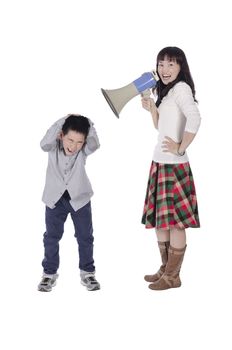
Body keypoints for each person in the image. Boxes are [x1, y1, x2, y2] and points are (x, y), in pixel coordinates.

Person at [141, 47, 201, 290]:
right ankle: (165, 270)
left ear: (180, 67)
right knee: (161, 222)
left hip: (174, 166)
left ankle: (173, 276)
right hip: (160, 162)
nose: (164, 70)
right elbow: (161, 128)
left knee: (175, 222)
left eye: (170, 64)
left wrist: (180, 147)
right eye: (161, 64)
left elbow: (195, 118)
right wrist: (153, 110)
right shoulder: (167, 92)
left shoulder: (182, 89)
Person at [38, 114, 101, 292]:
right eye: (70, 140)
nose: (73, 146)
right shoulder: (52, 148)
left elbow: (95, 143)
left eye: (79, 142)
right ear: (61, 135)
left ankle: (87, 273)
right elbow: (43, 143)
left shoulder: (83, 151)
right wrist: (63, 120)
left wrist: (88, 122)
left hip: (79, 200)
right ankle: (49, 274)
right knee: (51, 237)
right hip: (54, 200)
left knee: (85, 237)